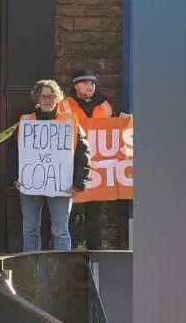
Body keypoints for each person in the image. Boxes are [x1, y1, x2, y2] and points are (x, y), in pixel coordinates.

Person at [16, 79, 90, 251]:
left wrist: (80, 182)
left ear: (57, 98)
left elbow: (82, 154)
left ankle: (61, 273)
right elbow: (14, 153)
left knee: (60, 231)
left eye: (51, 96)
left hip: (61, 185)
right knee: (29, 230)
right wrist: (15, 178)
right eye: (43, 97)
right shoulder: (26, 122)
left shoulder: (70, 122)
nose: (47, 100)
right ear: (37, 99)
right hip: (29, 184)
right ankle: (31, 271)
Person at [62, 68, 131, 249]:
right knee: (69, 212)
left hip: (98, 168)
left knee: (95, 212)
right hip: (73, 166)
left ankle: (95, 250)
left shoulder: (106, 105)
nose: (90, 86)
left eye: (92, 83)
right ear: (76, 85)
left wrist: (124, 120)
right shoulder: (65, 104)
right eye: (85, 83)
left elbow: (113, 131)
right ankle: (69, 251)